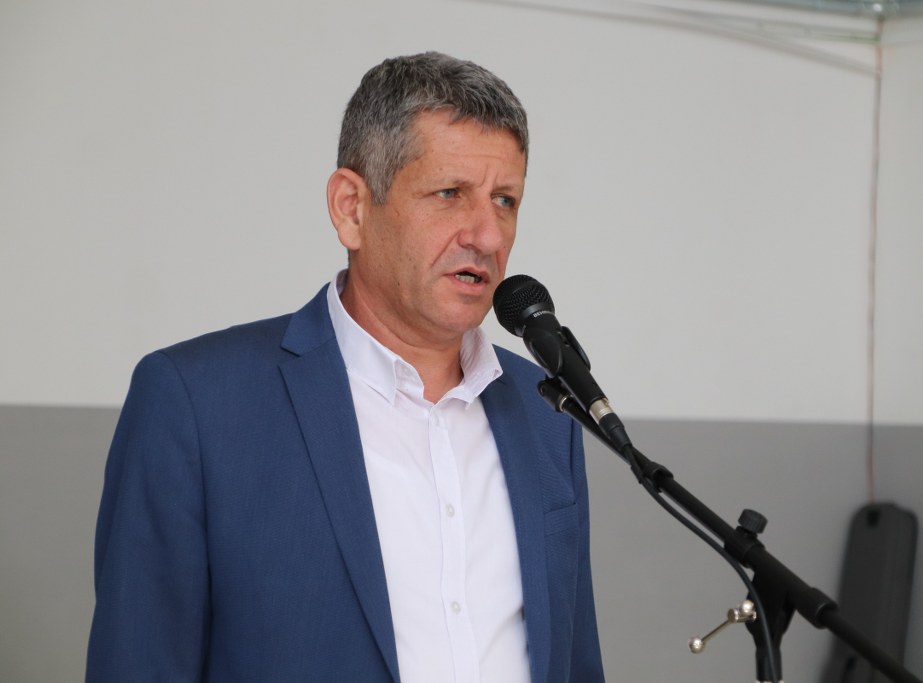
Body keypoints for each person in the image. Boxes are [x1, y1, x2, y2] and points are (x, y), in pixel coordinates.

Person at [86, 52, 604, 683]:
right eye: (450, 194)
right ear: (351, 208)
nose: (489, 235)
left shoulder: (548, 412)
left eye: (505, 200)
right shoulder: (196, 405)